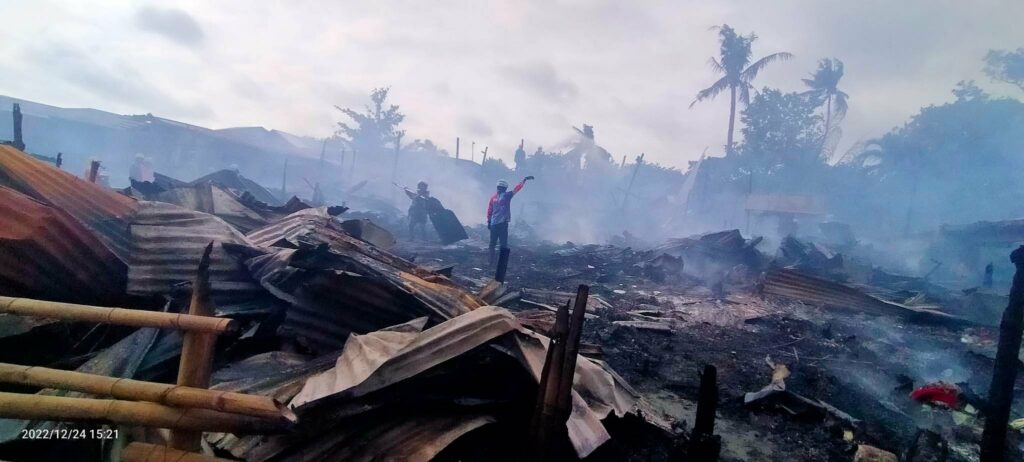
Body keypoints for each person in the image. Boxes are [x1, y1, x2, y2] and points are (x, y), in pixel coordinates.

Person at [487, 176, 533, 264]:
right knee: (503, 244)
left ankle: (490, 261)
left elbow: (489, 210)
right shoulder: (507, 195)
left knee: (492, 244)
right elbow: (517, 188)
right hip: (503, 224)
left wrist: (489, 221)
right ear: (505, 188)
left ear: (497, 187)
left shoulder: (493, 198)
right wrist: (524, 180)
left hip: (493, 224)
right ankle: (502, 263)